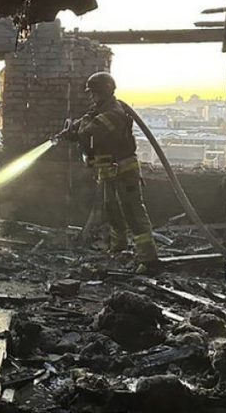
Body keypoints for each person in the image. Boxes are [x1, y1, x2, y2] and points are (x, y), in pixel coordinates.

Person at [57, 72, 160, 271]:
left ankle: (149, 259)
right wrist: (70, 131)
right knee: (113, 211)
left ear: (104, 91)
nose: (91, 96)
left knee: (133, 213)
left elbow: (89, 132)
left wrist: (77, 129)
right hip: (109, 171)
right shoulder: (100, 110)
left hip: (124, 170)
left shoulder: (114, 113)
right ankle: (118, 248)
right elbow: (84, 126)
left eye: (93, 92)